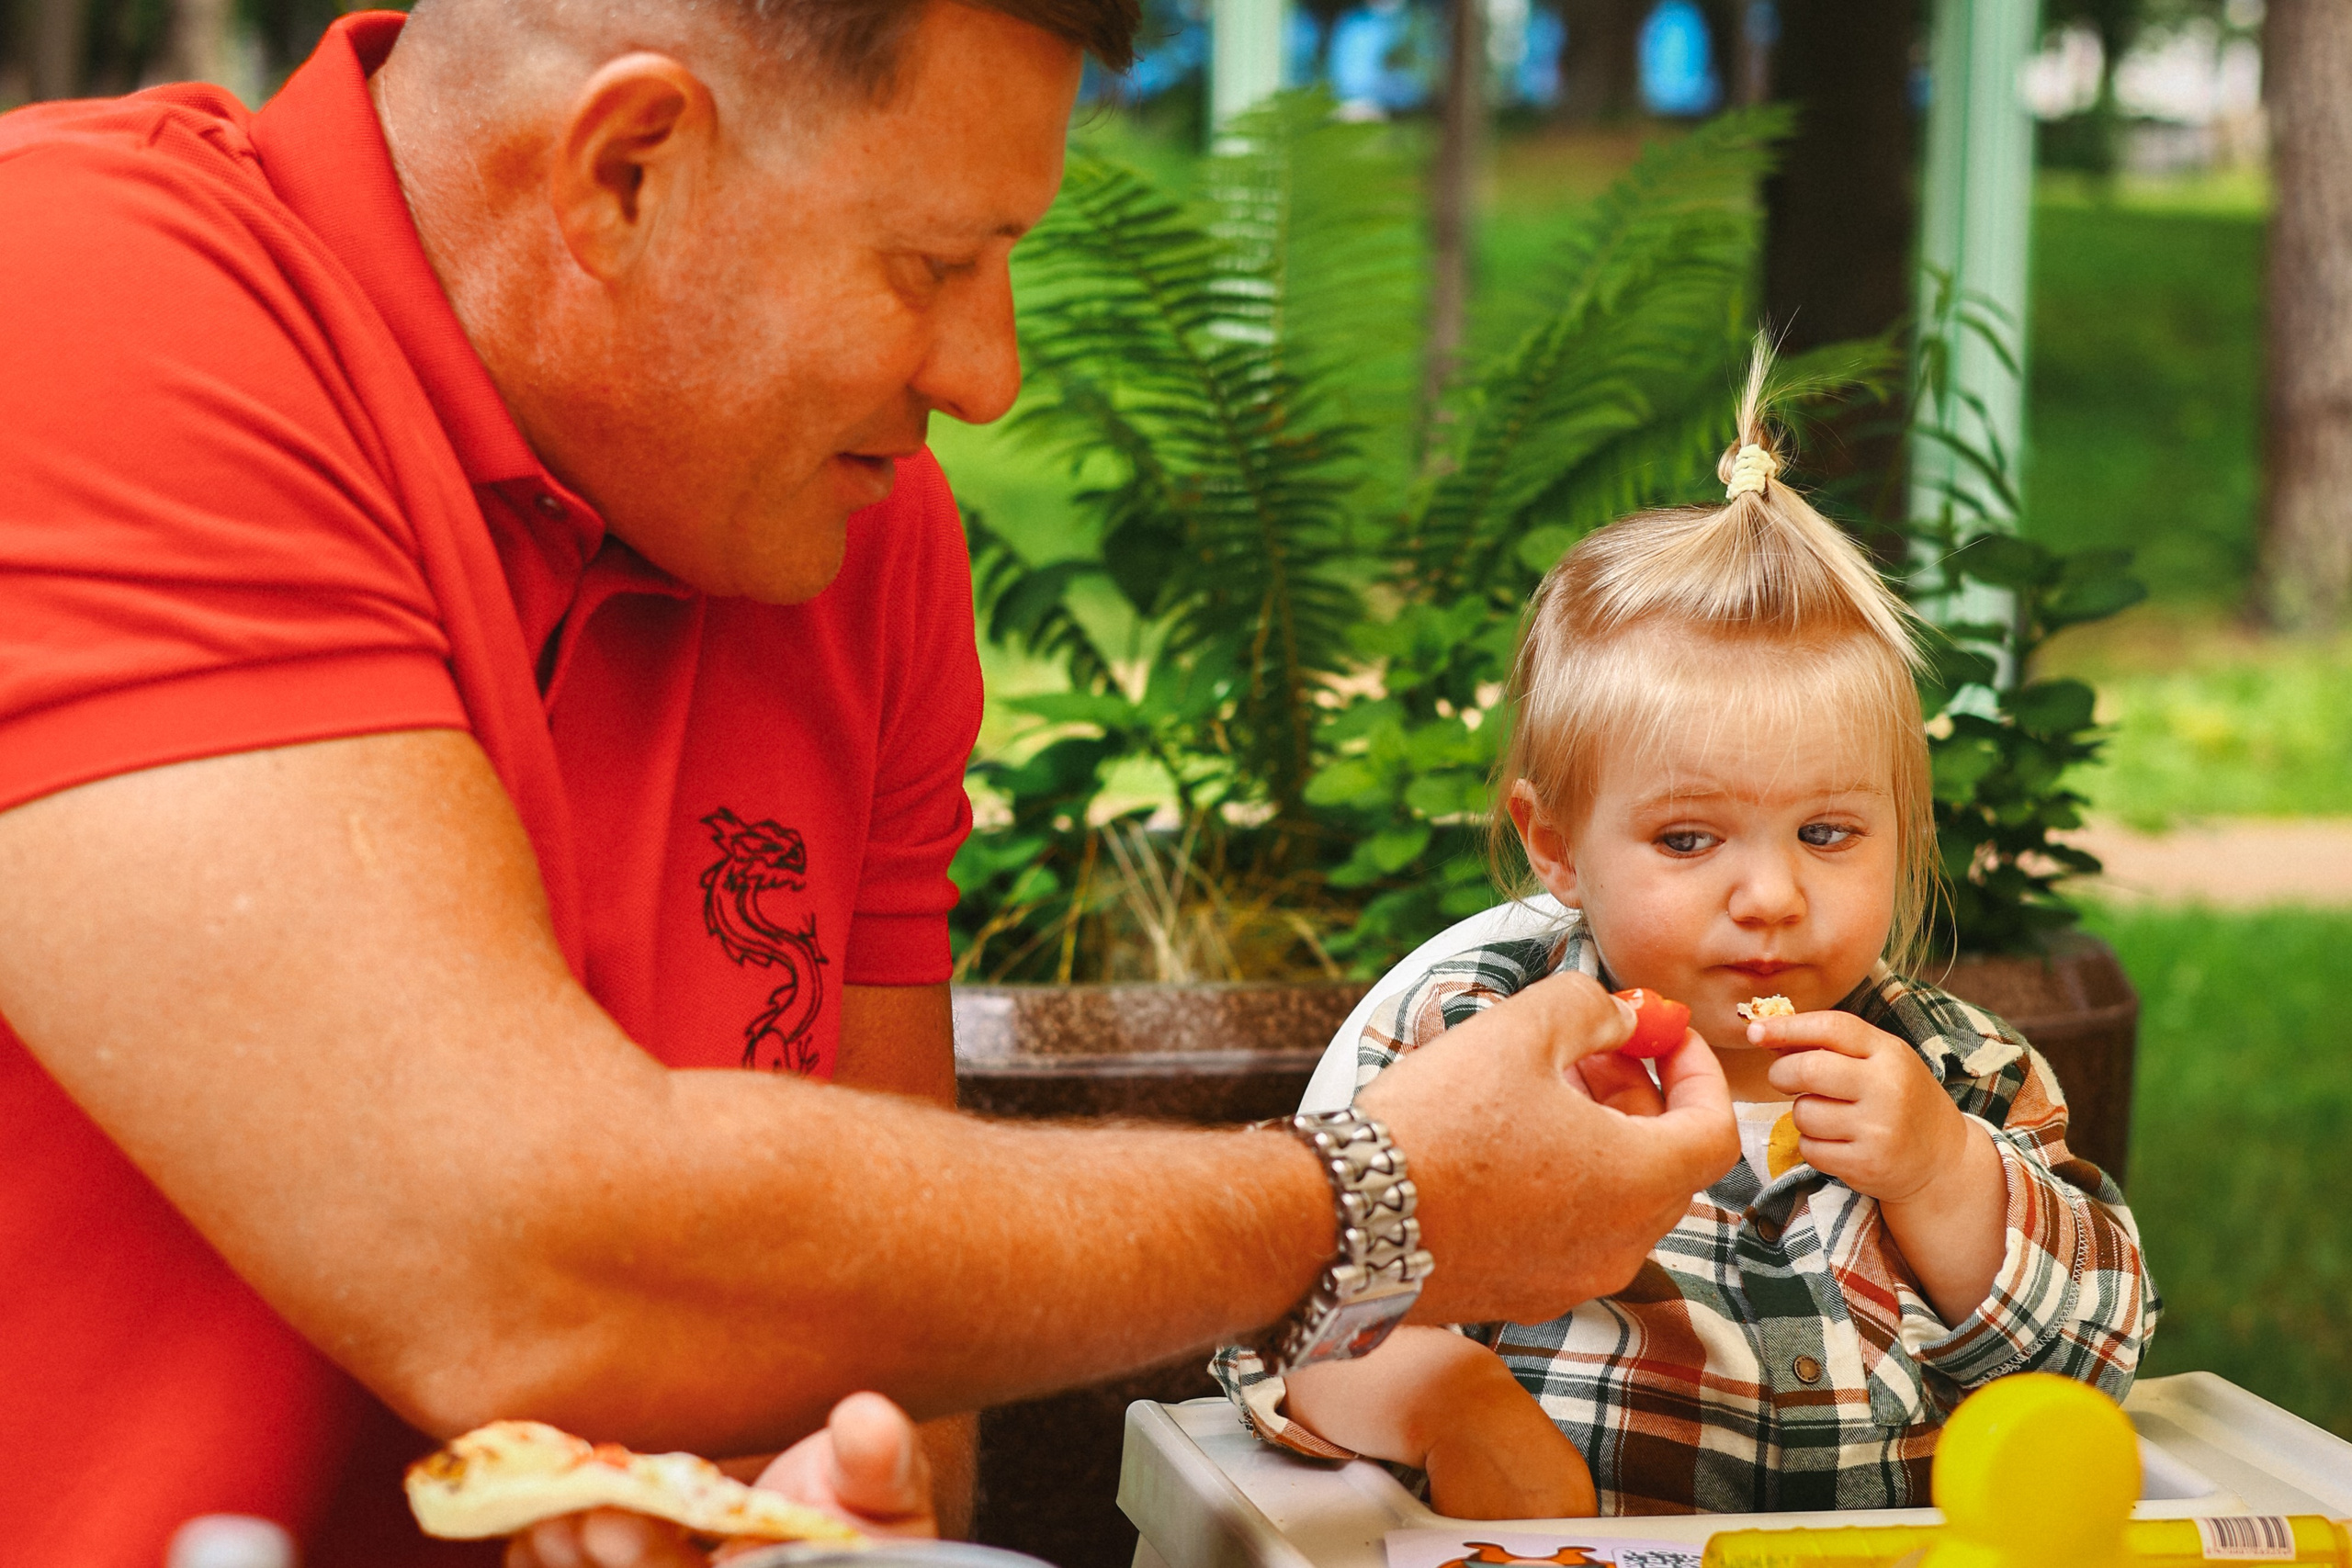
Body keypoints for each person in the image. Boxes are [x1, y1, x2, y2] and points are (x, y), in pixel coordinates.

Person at [0, 2, 1743, 1564]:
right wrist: (1364, 1195)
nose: (987, 376)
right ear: (627, 170)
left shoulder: (850, 537)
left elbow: (883, 1403)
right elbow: (513, 1250)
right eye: (928, 264)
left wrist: (818, 1512)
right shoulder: (76, 288)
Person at [1210, 355, 2161, 1515]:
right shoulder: (1472, 1038)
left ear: (1903, 832)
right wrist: (1452, 1405)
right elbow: (1292, 1321)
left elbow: (2096, 1360)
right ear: (1555, 846)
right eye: (1687, 841)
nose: (1768, 895)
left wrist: (1940, 1173)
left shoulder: (1964, 1074)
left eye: (1825, 832)